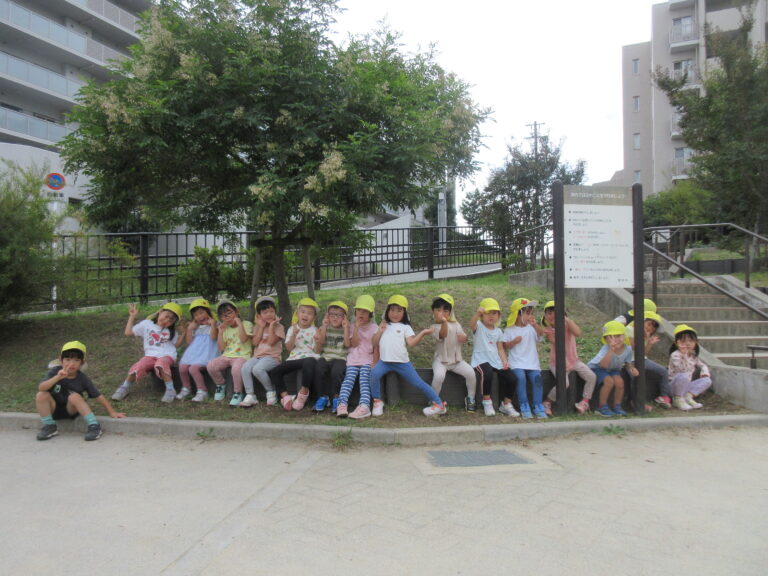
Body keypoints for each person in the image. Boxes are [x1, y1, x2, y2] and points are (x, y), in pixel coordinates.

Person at [369, 295, 447, 417]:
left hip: (402, 363)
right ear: (387, 311)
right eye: (392, 310)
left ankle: (439, 404)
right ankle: (377, 401)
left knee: (418, 383)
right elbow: (374, 342)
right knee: (373, 375)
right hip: (384, 362)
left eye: (399, 310)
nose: (395, 313)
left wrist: (423, 333)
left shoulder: (406, 327)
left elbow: (411, 343)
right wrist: (380, 330)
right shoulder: (383, 325)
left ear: (404, 313)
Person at [36, 341, 125, 441]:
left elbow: (97, 395)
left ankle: (94, 426)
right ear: (61, 360)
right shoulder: (54, 371)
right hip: (53, 409)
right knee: (41, 394)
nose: (71, 364)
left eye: (76, 360)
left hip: (71, 410)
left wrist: (112, 412)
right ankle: (49, 426)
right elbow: (41, 388)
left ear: (81, 363)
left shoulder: (82, 378)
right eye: (68, 359)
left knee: (74, 396)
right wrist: (57, 377)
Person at [112, 302, 183, 402]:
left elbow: (176, 345)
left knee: (160, 364)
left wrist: (184, 333)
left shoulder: (171, 331)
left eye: (171, 320)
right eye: (166, 316)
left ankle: (170, 390)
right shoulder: (147, 324)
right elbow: (128, 332)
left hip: (167, 355)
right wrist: (132, 316)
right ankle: (124, 387)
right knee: (139, 365)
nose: (167, 320)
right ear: (161, 311)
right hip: (150, 356)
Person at [540, 301, 597, 415]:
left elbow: (578, 332)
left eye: (556, 313)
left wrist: (566, 319)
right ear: (545, 316)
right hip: (557, 362)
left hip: (574, 361)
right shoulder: (548, 330)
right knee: (564, 383)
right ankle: (547, 401)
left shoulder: (567, 325)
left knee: (591, 376)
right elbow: (554, 341)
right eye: (549, 313)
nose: (552, 316)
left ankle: (584, 401)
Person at [468, 298, 518, 417]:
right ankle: (487, 401)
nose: (491, 316)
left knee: (512, 378)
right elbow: (471, 324)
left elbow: (500, 348)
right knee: (488, 372)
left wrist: (505, 361)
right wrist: (477, 314)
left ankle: (506, 404)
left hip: (495, 360)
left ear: (499, 315)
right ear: (482, 315)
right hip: (481, 359)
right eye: (488, 313)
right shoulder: (479, 326)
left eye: (494, 313)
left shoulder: (499, 331)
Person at [428, 293, 477, 411]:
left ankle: (471, 398)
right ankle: (434, 400)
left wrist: (463, 338)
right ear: (433, 311)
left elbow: (463, 337)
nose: (442, 313)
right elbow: (442, 334)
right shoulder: (433, 327)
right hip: (440, 361)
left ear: (450, 312)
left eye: (445, 310)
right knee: (439, 376)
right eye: (438, 310)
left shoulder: (456, 324)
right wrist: (444, 322)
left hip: (456, 361)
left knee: (471, 373)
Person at [271, 297, 320, 411]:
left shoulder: (314, 330)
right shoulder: (292, 329)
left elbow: (317, 351)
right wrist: (294, 335)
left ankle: (303, 393)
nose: (305, 315)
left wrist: (318, 340)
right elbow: (289, 348)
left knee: (310, 361)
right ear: (297, 313)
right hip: (294, 358)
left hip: (309, 357)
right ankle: (286, 397)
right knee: (275, 371)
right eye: (303, 312)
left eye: (309, 313)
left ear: (314, 317)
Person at [503, 298, 547, 419]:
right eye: (527, 313)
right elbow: (504, 346)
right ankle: (524, 405)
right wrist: (513, 342)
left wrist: (536, 325)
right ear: (518, 314)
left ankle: (538, 405)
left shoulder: (532, 328)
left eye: (531, 313)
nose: (530, 316)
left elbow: (541, 334)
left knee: (537, 379)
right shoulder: (509, 330)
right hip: (516, 363)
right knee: (520, 378)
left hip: (532, 363)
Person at [337, 295, 378, 419]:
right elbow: (353, 344)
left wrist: (375, 362)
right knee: (348, 380)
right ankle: (342, 404)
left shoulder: (374, 328)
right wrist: (356, 329)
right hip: (353, 360)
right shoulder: (352, 326)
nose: (361, 313)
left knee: (364, 381)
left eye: (365, 311)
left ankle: (364, 406)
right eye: (359, 310)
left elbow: (376, 347)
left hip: (367, 360)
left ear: (370, 314)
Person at [239, 296, 285, 407]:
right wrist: (260, 327)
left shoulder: (279, 327)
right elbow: (254, 343)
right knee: (245, 367)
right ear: (259, 315)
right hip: (258, 357)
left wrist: (271, 326)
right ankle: (250, 395)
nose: (269, 314)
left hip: (273, 358)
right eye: (265, 312)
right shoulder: (257, 327)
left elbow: (271, 342)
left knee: (257, 369)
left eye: (271, 311)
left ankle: (271, 391)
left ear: (275, 312)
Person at [206, 300, 253, 406]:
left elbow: (244, 339)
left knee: (236, 369)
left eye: (229, 313)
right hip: (227, 355)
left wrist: (239, 323)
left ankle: (237, 393)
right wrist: (220, 333)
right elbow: (221, 348)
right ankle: (220, 385)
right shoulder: (225, 328)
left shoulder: (246, 324)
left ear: (237, 312)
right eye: (223, 316)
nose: (227, 317)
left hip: (242, 356)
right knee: (211, 365)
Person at [587, 321, 638, 417]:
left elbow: (628, 362)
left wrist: (632, 368)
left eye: (618, 336)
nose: (615, 340)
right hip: (597, 368)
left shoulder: (628, 349)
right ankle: (602, 407)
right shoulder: (606, 348)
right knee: (609, 381)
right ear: (606, 339)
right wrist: (611, 350)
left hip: (613, 368)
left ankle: (617, 406)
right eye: (610, 337)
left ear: (624, 336)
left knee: (620, 382)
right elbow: (603, 365)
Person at [626, 310, 673, 409]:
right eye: (649, 324)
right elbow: (633, 347)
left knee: (663, 371)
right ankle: (635, 402)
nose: (650, 328)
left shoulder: (646, 335)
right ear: (641, 321)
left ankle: (664, 396)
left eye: (653, 327)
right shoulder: (630, 329)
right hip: (629, 360)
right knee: (634, 376)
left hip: (642, 359)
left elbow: (643, 353)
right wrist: (643, 337)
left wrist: (649, 343)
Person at [176, 298, 219, 402]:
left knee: (193, 369)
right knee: (182, 367)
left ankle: (202, 391)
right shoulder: (197, 327)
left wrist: (212, 324)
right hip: (194, 355)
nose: (200, 317)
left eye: (201, 313)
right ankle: (186, 388)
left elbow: (213, 337)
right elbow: (189, 342)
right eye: (196, 315)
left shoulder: (215, 324)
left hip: (208, 355)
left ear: (208, 312)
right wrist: (190, 329)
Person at [312, 301, 351, 412]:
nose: (335, 317)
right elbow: (320, 346)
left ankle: (336, 398)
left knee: (336, 372)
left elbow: (348, 345)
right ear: (327, 315)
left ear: (344, 317)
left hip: (340, 357)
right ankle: (322, 397)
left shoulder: (346, 328)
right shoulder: (323, 328)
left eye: (338, 315)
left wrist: (345, 328)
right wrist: (324, 326)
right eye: (332, 314)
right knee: (318, 368)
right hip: (326, 356)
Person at [668, 324, 712, 410]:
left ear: (696, 342)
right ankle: (677, 399)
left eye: (691, 341)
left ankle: (688, 396)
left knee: (707, 380)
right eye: (683, 341)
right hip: (673, 387)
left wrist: (705, 373)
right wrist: (684, 354)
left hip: (686, 386)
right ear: (676, 343)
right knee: (684, 375)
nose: (687, 344)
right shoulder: (675, 355)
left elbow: (703, 365)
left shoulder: (693, 356)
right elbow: (681, 369)